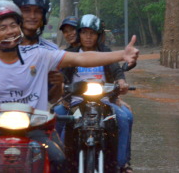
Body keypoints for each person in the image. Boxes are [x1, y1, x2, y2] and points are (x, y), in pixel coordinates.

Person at [0, 0, 139, 173]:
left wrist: (123, 54)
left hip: (35, 129)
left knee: (59, 159)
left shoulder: (39, 55)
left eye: (13, 25)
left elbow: (80, 58)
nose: (10, 31)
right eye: (3, 28)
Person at [56, 14, 134, 173]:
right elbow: (62, 75)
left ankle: (122, 163)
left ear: (98, 35)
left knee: (125, 117)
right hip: (76, 104)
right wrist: (61, 86)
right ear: (79, 34)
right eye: (84, 32)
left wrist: (121, 83)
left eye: (92, 33)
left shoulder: (105, 52)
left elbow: (116, 70)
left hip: (104, 102)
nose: (88, 36)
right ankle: (58, 163)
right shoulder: (71, 53)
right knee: (58, 118)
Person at [0, 0, 64, 104]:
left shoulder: (51, 50)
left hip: (34, 118)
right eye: (26, 11)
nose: (32, 16)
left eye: (37, 11)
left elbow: (52, 99)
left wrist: (58, 84)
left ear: (44, 17)